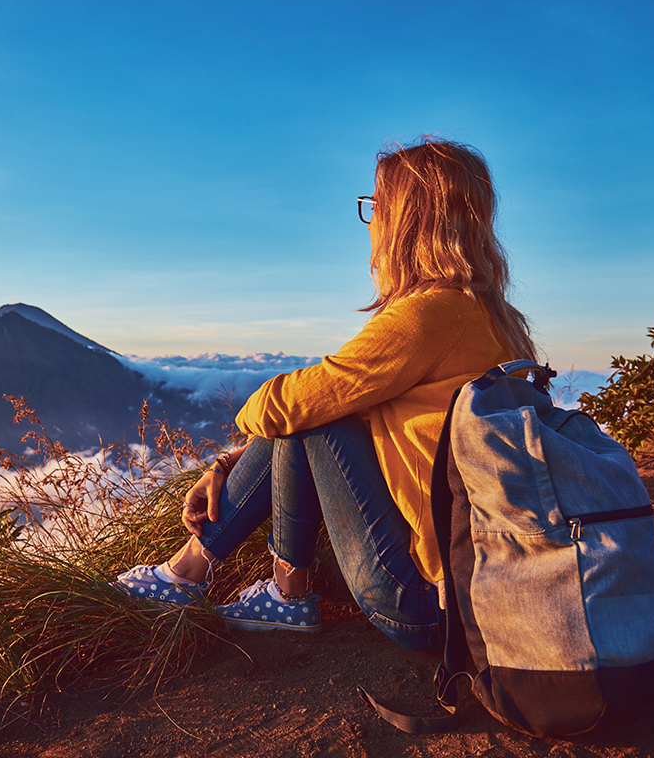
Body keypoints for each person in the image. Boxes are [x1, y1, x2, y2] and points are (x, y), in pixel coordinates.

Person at [116, 137, 540, 651]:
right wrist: (228, 463)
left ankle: (214, 580)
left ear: (406, 220)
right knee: (316, 415)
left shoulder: (427, 317)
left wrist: (241, 434)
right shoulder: (496, 320)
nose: (373, 221)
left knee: (312, 415)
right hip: (485, 590)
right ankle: (237, 584)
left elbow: (287, 404)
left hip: (429, 606)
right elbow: (357, 413)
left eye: (378, 207)